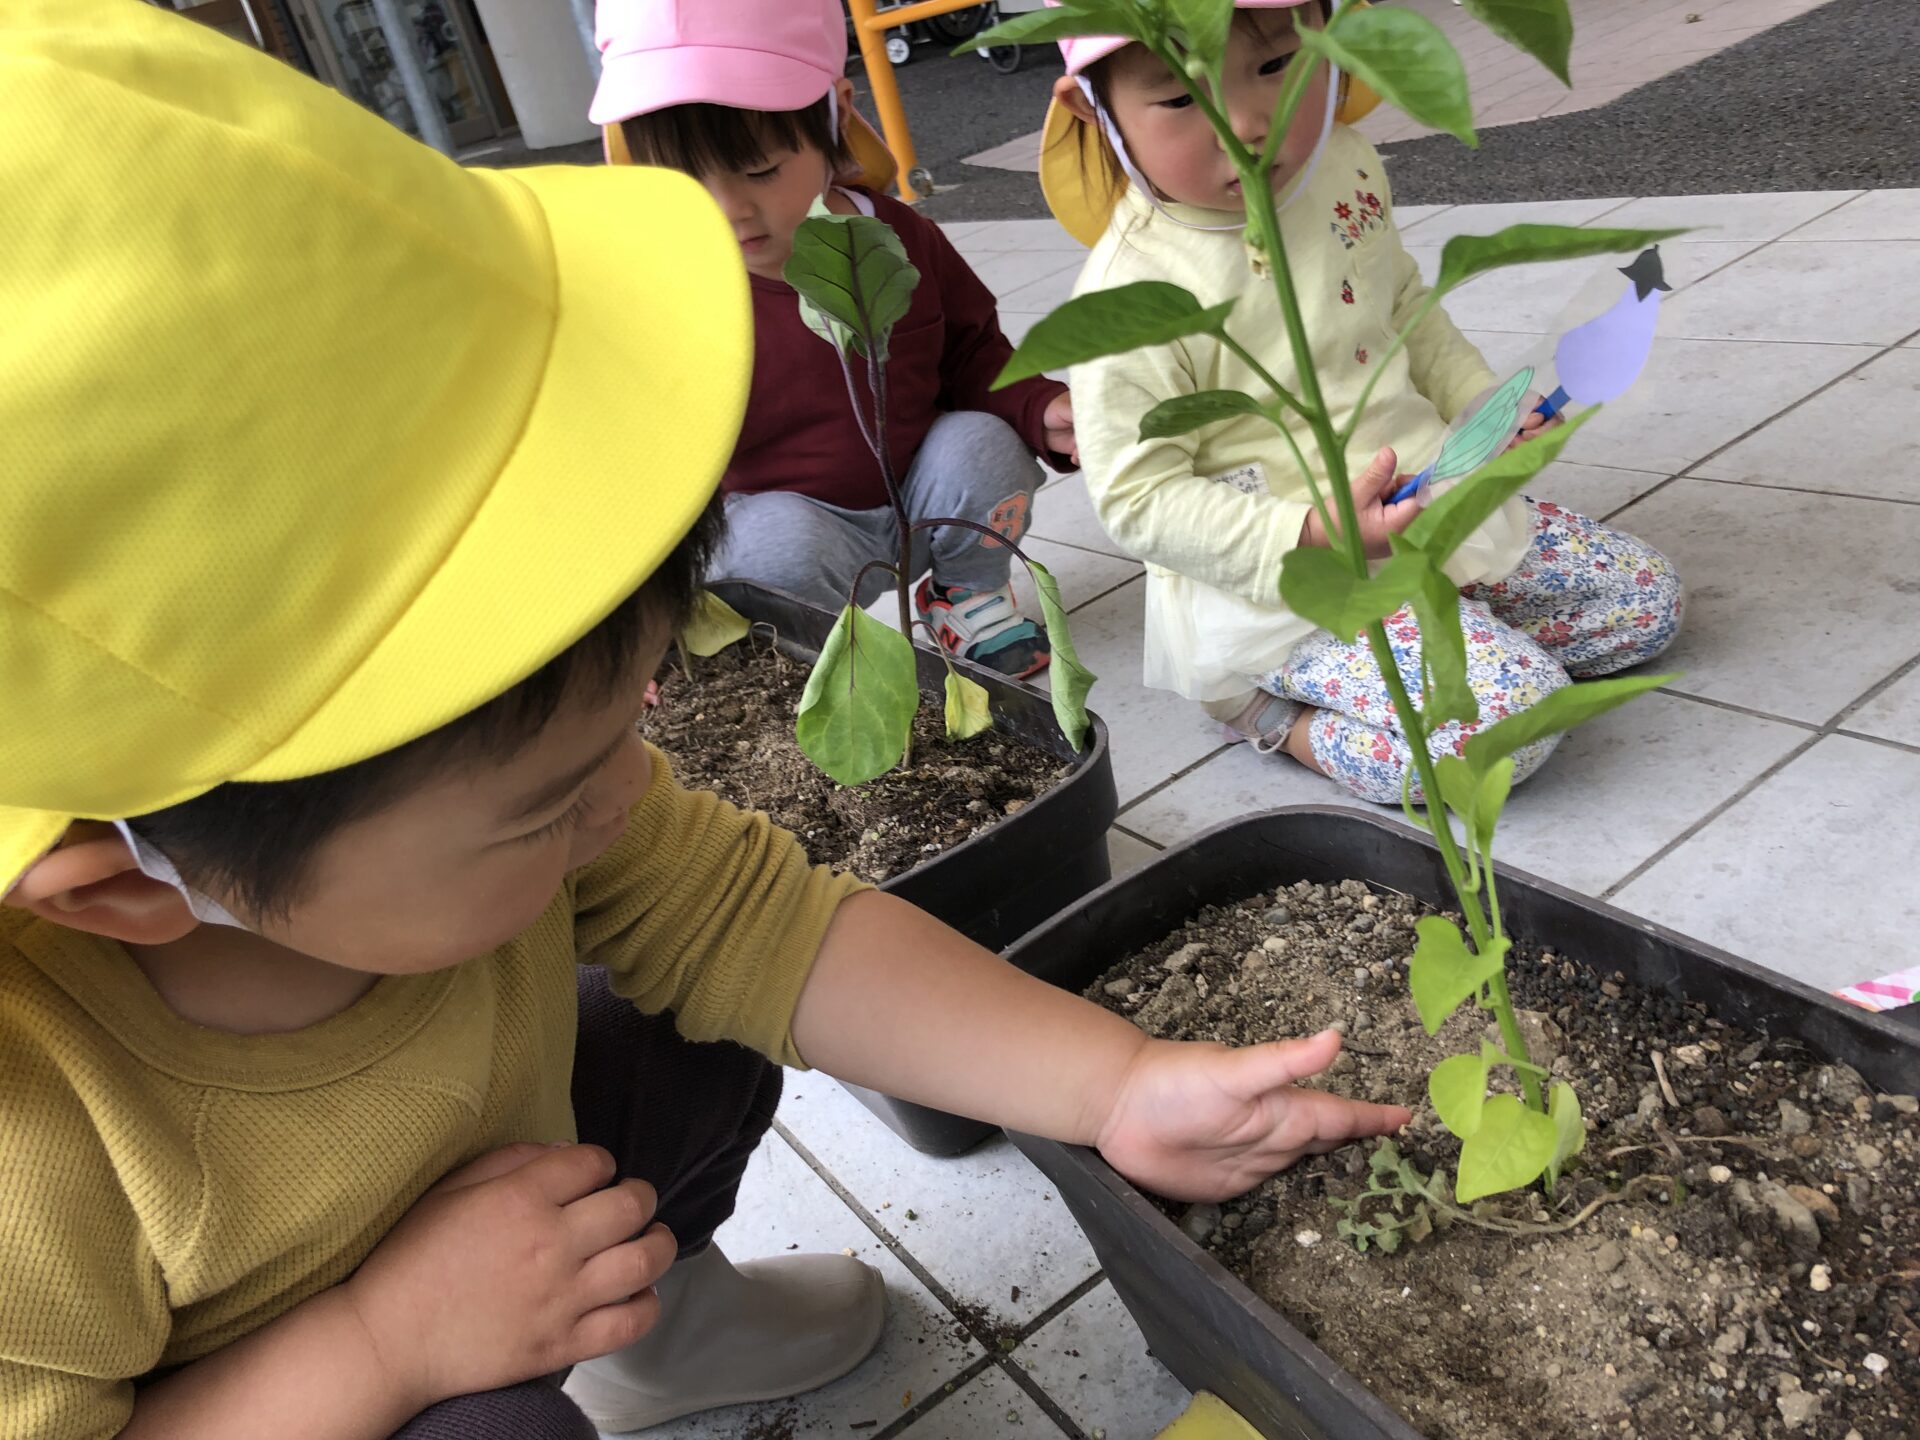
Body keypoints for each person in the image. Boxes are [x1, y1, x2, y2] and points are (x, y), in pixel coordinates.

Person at [0, 6, 1410, 1439]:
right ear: (125, 884)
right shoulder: (33, 1153)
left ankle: (664, 1330)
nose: (627, 798)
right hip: (289, 1391)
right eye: (546, 803)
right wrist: (381, 1347)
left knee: (693, 1032)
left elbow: (761, 922)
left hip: (505, 1196)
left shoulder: (449, 834)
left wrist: (1111, 1086)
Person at [1043, 0, 1685, 802]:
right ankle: (1264, 710)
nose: (1248, 123)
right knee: (1510, 731)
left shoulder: (1341, 163)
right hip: (1293, 583)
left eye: (1278, 66)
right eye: (1179, 98)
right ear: (1092, 108)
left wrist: (1481, 402)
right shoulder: (1132, 291)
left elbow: (1404, 302)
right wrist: (1314, 531)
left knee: (1645, 603)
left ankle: (1454, 633)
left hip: (1426, 499)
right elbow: (1138, 500)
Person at [590, 0, 1074, 680]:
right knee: (769, 544)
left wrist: (1039, 407)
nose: (730, 210)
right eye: (683, 179)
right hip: (800, 536)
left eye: (760, 171)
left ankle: (965, 594)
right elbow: (653, 466)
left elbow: (972, 352)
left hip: (923, 495)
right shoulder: (672, 297)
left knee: (982, 443)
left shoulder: (899, 238)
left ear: (834, 117)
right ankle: (803, 659)